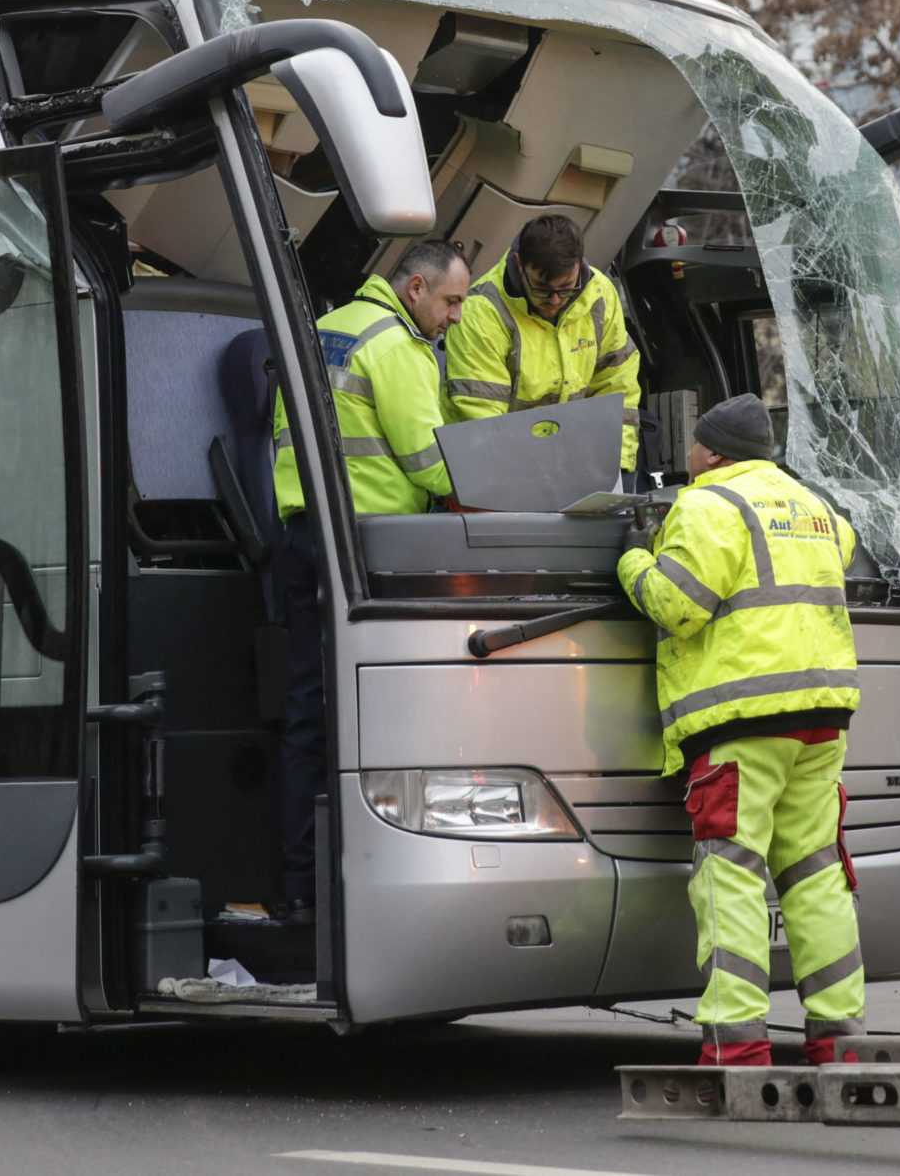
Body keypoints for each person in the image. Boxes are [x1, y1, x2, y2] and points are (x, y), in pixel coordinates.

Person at [616, 394, 864, 1068]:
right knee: (816, 874)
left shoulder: (704, 504)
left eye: (694, 445)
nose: (687, 456)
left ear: (714, 452)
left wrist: (635, 559)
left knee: (731, 874)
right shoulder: (814, 508)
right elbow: (839, 550)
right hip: (822, 718)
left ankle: (738, 1043)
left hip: (740, 723)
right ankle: (838, 1038)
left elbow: (678, 604)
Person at [269, 240, 474, 923]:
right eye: (451, 301)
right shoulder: (397, 348)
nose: (455, 317)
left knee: (308, 713)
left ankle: (300, 884)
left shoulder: (323, 328)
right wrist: (499, 477)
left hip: (301, 533)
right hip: (366, 546)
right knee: (380, 718)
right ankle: (372, 890)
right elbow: (431, 463)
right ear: (415, 287)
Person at [445, 214, 643, 474]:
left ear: (579, 264)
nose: (554, 300)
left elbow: (618, 385)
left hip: (572, 469)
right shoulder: (481, 312)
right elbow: (482, 419)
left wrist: (616, 465)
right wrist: (530, 479)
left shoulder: (600, 295)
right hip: (506, 473)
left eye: (566, 287)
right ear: (520, 263)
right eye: (541, 288)